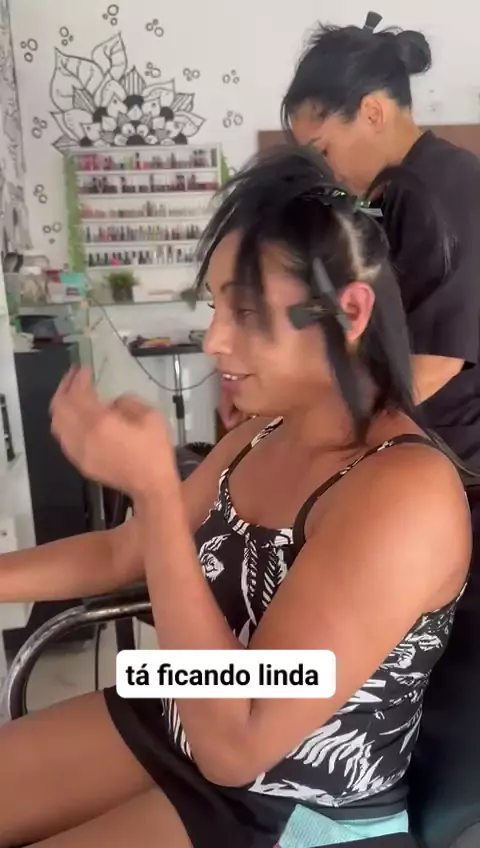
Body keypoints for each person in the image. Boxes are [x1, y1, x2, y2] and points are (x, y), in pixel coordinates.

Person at [0, 146, 470, 847]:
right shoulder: (262, 433)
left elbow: (239, 743)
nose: (215, 339)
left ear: (350, 311)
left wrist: (156, 495)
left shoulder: (402, 493)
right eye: (216, 306)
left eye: (246, 311)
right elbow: (123, 553)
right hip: (182, 712)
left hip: (289, 797)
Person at [220, 12, 480, 476]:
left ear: (373, 113)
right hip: (402, 446)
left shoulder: (450, 190)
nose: (326, 171)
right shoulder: (382, 199)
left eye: (323, 150)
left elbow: (436, 362)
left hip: (456, 465)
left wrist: (316, 431)